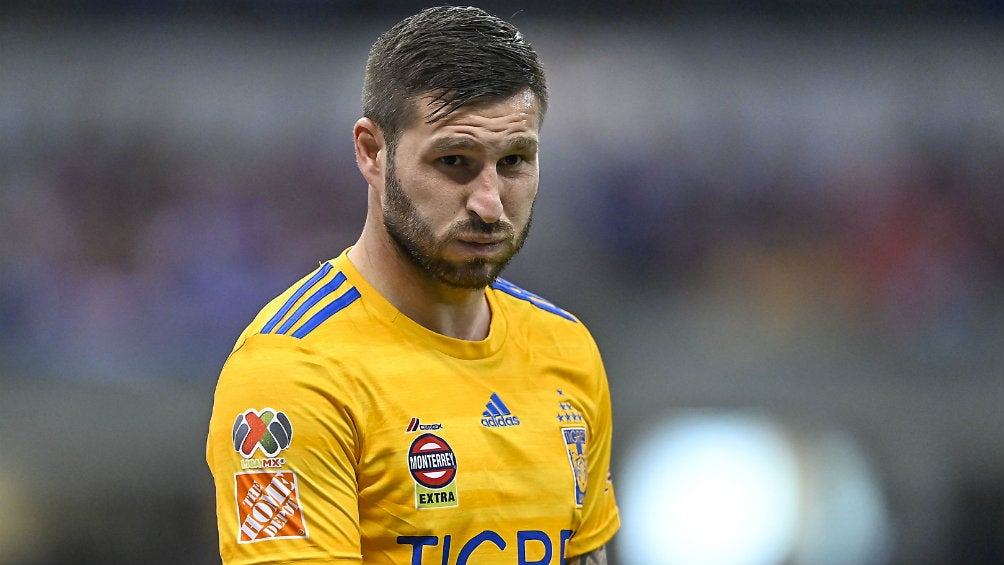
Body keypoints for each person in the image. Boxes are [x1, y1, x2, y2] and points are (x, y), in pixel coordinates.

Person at [206, 6, 619, 564]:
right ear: (372, 152)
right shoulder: (291, 375)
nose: (490, 203)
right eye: (454, 161)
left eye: (515, 160)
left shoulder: (566, 348)